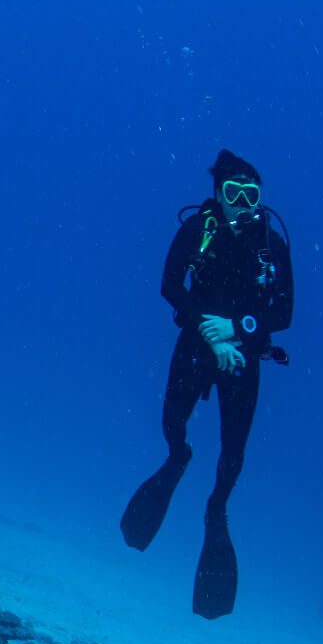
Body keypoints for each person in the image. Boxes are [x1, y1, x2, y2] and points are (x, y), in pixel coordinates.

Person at [120, 149, 294, 618]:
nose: (242, 203)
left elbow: (284, 313)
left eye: (250, 195)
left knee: (233, 448)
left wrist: (236, 329)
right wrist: (209, 331)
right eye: (233, 193)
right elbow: (170, 286)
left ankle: (217, 507)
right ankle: (177, 460)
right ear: (218, 194)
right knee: (173, 422)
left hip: (242, 354)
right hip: (197, 345)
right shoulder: (199, 230)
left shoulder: (271, 245)